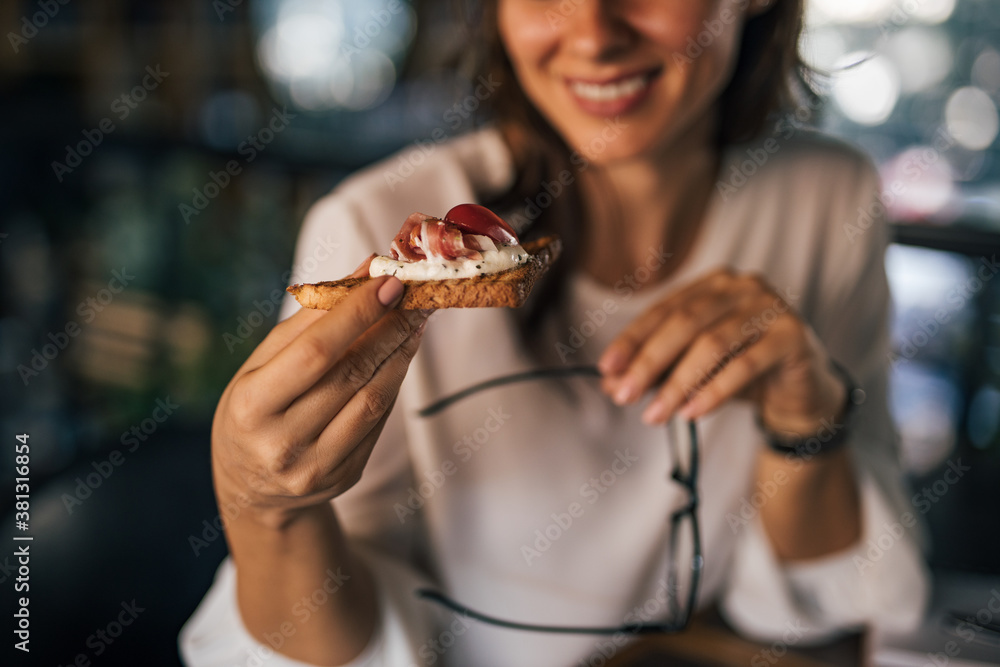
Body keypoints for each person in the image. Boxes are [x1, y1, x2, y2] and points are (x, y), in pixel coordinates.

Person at [181, 1, 930, 665]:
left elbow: (817, 606)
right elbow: (344, 641)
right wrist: (262, 507)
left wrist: (807, 421)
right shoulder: (372, 224)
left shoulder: (831, 199)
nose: (594, 34)